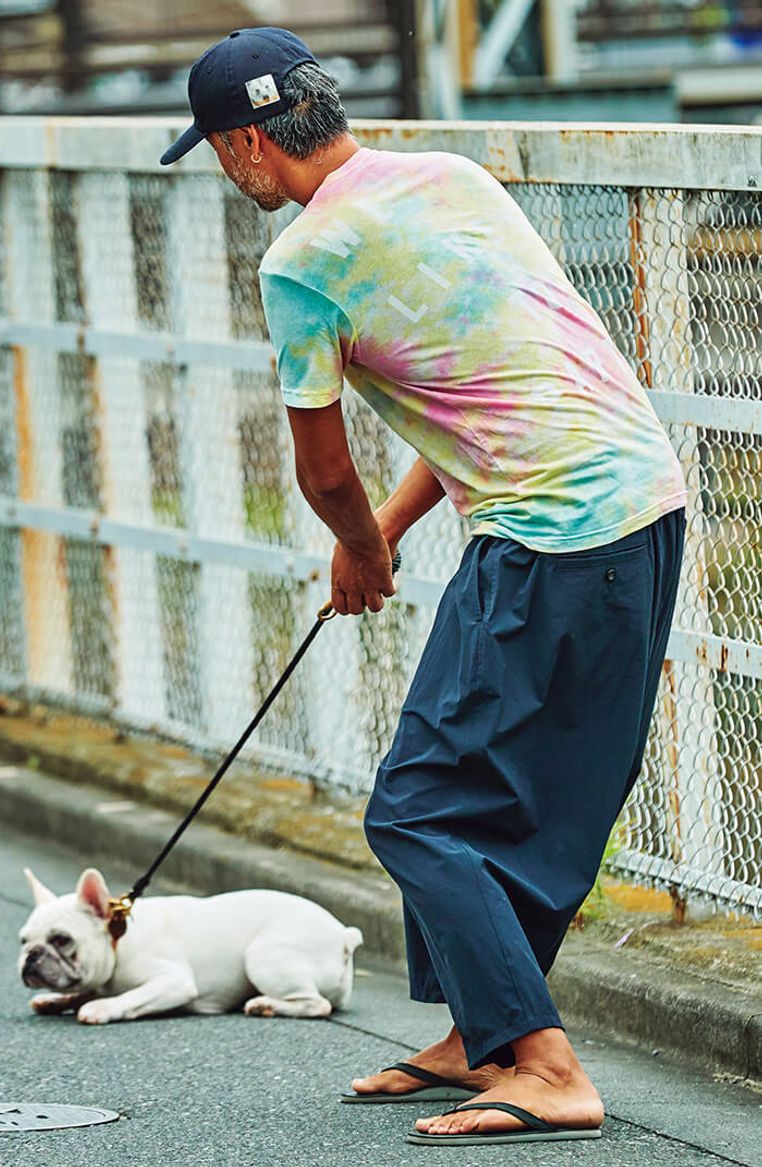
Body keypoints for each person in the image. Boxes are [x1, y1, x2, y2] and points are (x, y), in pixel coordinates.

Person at [161, 27, 687, 1148]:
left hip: (546, 538)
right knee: (521, 795)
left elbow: (320, 467)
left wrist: (356, 543)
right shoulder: (450, 179)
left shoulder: (302, 261)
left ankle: (545, 1067)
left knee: (417, 808)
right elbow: (475, 382)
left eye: (215, 149)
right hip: (641, 505)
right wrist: (389, 537)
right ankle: (483, 1037)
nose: (224, 169)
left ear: (251, 141)